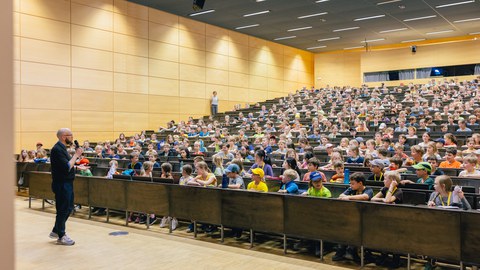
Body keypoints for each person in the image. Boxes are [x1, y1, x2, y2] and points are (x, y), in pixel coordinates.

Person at [49, 128, 84, 246]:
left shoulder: (62, 148)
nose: (72, 139)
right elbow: (66, 167)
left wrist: (77, 167)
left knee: (69, 208)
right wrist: (76, 155)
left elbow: (67, 165)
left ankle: (56, 230)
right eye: (71, 136)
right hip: (62, 184)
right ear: (64, 136)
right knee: (63, 209)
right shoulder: (57, 149)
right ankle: (61, 235)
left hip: (66, 183)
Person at [333, 172, 373, 262]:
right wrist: (347, 196)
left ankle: (352, 252)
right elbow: (341, 195)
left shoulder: (368, 190)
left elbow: (365, 197)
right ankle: (341, 250)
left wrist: (349, 198)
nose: (350, 185)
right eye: (350, 183)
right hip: (351, 217)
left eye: (353, 183)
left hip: (365, 220)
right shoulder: (351, 189)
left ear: (360, 183)